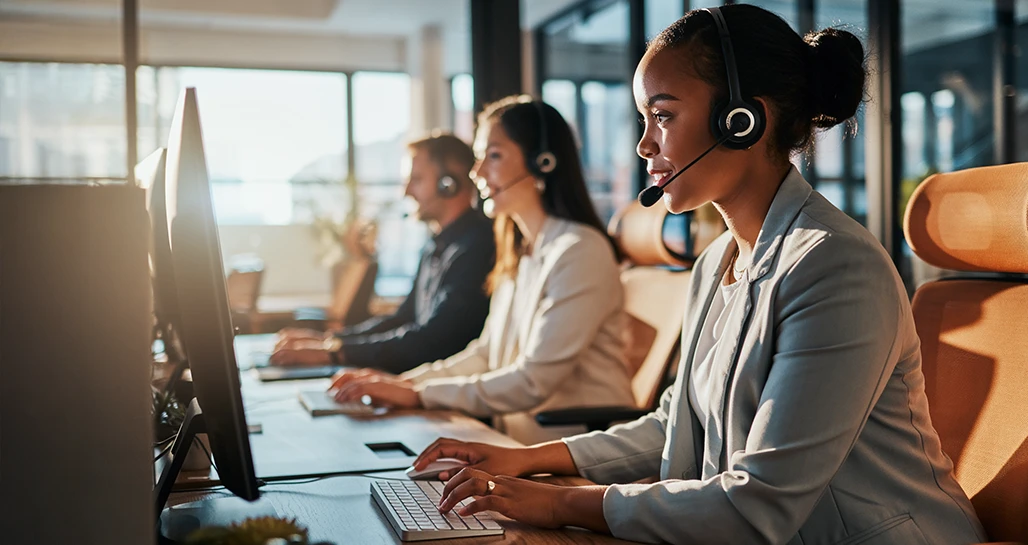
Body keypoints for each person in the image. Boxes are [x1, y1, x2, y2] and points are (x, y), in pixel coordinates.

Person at [410, 6, 988, 545]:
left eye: (662, 115)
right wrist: (528, 460)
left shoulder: (836, 266)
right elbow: (675, 426)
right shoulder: (716, 263)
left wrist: (560, 504)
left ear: (741, 120)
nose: (644, 144)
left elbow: (758, 505)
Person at [328, 96, 635, 445]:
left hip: (574, 455)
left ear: (542, 161)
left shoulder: (580, 251)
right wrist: (407, 384)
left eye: (494, 156)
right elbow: (485, 354)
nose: (476, 173)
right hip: (516, 445)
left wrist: (420, 395)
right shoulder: (521, 251)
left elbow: (533, 380)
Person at [270, 132, 494, 374]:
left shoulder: (476, 247)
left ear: (448, 184)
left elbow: (434, 341)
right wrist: (329, 340)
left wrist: (334, 353)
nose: (406, 191)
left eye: (416, 179)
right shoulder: (435, 246)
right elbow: (403, 319)